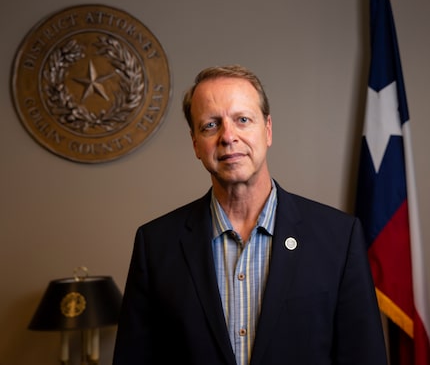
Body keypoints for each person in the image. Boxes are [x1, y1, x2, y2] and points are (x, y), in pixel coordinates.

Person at [113, 65, 388, 365]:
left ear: (267, 130)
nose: (228, 136)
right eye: (210, 126)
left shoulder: (338, 238)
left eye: (242, 120)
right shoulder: (155, 245)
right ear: (195, 144)